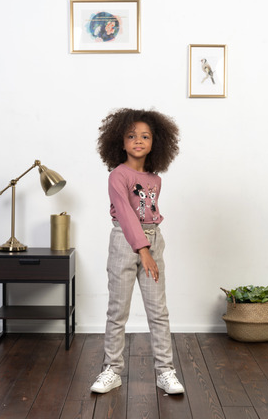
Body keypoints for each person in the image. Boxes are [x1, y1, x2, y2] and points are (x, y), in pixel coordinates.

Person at [90, 108, 184, 395]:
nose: (138, 141)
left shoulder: (155, 179)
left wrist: (151, 246)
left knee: (158, 311)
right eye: (132, 136)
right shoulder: (118, 175)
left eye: (145, 136)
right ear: (121, 142)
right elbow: (127, 215)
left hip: (154, 241)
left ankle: (165, 371)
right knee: (118, 309)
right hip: (124, 242)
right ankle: (112, 369)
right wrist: (143, 251)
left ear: (155, 142)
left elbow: (149, 212)